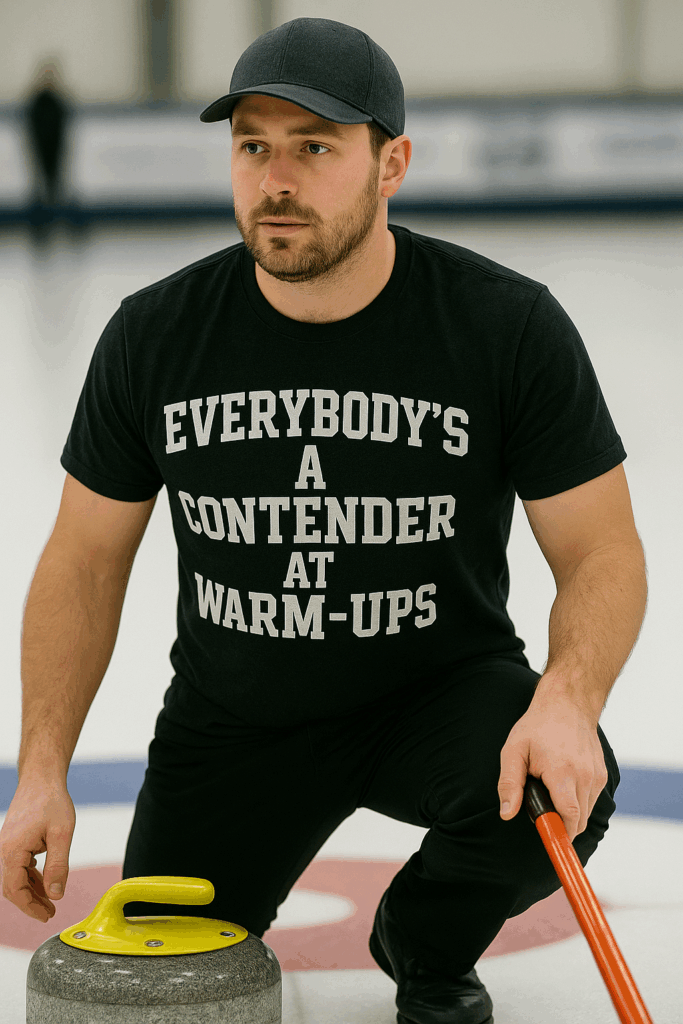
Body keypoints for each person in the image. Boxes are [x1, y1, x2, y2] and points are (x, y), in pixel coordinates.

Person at [0, 18, 647, 1024]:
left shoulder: (501, 325)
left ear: (390, 162)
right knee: (159, 994)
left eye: (314, 145)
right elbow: (82, 562)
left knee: (562, 787)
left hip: (437, 693)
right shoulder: (157, 336)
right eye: (253, 145)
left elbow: (600, 546)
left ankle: (422, 940)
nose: (276, 179)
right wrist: (41, 770)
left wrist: (565, 696)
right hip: (233, 719)